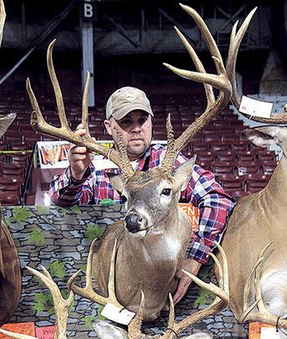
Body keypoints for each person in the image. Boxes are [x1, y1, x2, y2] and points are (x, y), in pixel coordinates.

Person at [48, 86, 235, 303]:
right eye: (126, 122)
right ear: (109, 127)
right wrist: (76, 173)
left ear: (150, 123)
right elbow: (60, 202)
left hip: (165, 290)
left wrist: (196, 256)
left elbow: (217, 198)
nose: (136, 128)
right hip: (115, 290)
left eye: (142, 120)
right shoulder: (98, 170)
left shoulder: (169, 163)